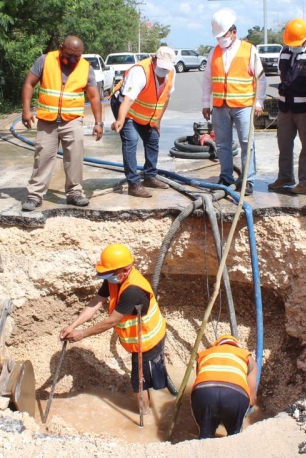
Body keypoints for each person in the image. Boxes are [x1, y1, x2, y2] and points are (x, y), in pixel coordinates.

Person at [60, 244, 177, 416]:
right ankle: (149, 402)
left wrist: (82, 334)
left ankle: (145, 414)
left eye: (110, 274)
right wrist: (73, 325)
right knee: (143, 378)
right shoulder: (115, 278)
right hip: (137, 340)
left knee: (139, 383)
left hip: (147, 341)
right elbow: (96, 302)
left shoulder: (133, 291)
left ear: (126, 269)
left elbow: (112, 321)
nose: (107, 278)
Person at [21, 36, 104, 211]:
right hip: (47, 120)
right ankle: (34, 195)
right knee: (43, 157)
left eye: (77, 56)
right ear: (60, 49)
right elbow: (29, 84)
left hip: (72, 120)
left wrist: (99, 122)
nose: (73, 60)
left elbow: (95, 96)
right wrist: (26, 110)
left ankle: (74, 193)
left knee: (74, 157)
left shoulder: (85, 68)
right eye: (69, 56)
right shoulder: (46, 60)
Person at [202, 8, 267, 195]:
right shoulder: (213, 52)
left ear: (233, 32)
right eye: (218, 37)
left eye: (223, 35)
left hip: (243, 105)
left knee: (247, 143)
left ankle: (248, 180)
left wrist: (259, 102)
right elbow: (207, 79)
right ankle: (226, 176)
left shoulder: (249, 50)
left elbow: (260, 79)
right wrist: (206, 103)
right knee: (222, 144)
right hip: (220, 106)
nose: (220, 40)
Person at [111, 46, 176, 198]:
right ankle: (133, 184)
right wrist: (120, 120)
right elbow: (128, 100)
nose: (163, 71)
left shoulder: (171, 72)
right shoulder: (140, 71)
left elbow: (166, 97)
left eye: (166, 68)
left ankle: (149, 176)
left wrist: (158, 120)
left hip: (146, 113)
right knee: (131, 140)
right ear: (154, 60)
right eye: (160, 67)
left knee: (153, 139)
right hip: (126, 109)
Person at [269, 19, 306, 196]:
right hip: (285, 107)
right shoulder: (285, 51)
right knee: (283, 143)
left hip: (305, 108)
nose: (293, 46)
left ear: (305, 38)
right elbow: (282, 75)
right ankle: (285, 177)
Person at [191, 334, 258, 439]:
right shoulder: (246, 356)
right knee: (234, 437)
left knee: (205, 437)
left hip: (204, 392)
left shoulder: (204, 354)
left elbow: (200, 380)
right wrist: (244, 409)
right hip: (235, 395)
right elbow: (252, 397)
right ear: (237, 346)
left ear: (217, 345)